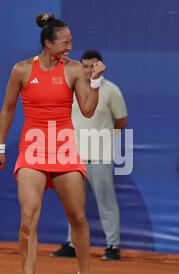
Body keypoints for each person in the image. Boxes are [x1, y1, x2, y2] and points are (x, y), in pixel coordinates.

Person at [0, 13, 107, 274]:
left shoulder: (74, 69)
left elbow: (88, 110)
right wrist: (0, 148)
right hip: (32, 150)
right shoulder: (21, 70)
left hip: (64, 149)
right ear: (47, 43)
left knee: (77, 218)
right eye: (64, 43)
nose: (69, 47)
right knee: (28, 219)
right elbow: (7, 109)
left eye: (71, 42)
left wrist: (94, 82)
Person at [50, 50, 128, 260]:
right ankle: (72, 244)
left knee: (106, 202)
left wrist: (104, 139)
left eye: (92, 66)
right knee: (73, 203)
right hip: (74, 157)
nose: (87, 70)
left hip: (100, 157)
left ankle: (113, 247)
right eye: (84, 66)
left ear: (100, 66)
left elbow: (121, 120)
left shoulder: (111, 91)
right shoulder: (71, 88)